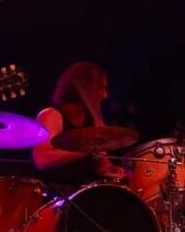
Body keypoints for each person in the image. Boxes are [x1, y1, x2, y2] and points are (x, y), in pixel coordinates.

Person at [31, 61, 126, 193]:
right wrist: (87, 150)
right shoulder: (51, 114)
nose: (105, 95)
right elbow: (42, 159)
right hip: (55, 194)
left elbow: (102, 166)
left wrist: (112, 170)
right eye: (100, 88)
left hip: (83, 193)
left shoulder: (94, 119)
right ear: (81, 87)